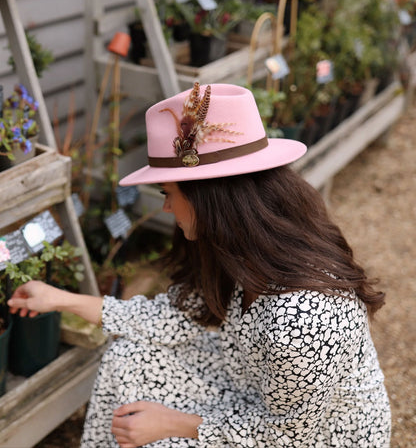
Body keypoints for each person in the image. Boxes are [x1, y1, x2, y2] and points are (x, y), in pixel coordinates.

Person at [8, 82, 391, 447]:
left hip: (318, 438)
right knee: (129, 355)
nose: (165, 207)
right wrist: (59, 299)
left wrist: (171, 422)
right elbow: (173, 317)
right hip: (254, 388)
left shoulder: (301, 316)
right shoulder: (243, 254)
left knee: (159, 427)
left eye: (168, 193)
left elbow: (289, 436)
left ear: (210, 198)